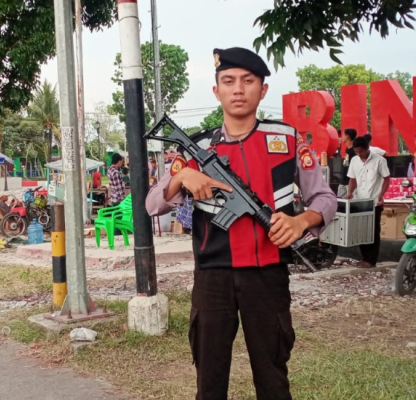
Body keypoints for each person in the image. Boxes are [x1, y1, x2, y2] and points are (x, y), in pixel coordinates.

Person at [146, 47, 337, 399]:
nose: (238, 89)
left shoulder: (288, 140)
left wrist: (301, 222)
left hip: (267, 276)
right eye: (228, 81)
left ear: (262, 90)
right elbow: (152, 204)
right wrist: (182, 177)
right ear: (216, 90)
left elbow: (325, 199)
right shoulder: (195, 148)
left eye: (248, 81)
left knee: (272, 376)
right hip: (212, 275)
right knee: (210, 378)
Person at [346, 136, 390, 268]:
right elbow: (352, 179)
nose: (359, 154)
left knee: (373, 230)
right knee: (361, 229)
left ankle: (371, 260)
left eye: (361, 152)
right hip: (359, 200)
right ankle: (364, 258)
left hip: (374, 201)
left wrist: (381, 196)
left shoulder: (379, 161)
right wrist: (349, 192)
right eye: (356, 152)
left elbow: (386, 179)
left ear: (367, 149)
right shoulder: (354, 161)